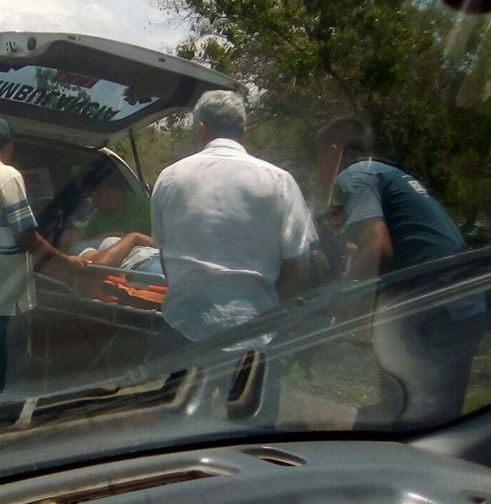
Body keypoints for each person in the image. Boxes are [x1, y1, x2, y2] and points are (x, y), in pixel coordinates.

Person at [151, 90, 317, 424]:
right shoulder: (278, 181)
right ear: (243, 129)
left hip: (184, 328)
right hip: (256, 334)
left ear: (201, 130)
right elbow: (298, 265)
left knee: (172, 435)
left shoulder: (170, 178)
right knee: (250, 434)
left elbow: (166, 256)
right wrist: (277, 323)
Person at [316, 117, 487, 426]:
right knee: (441, 419)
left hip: (429, 304)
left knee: (406, 414)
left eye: (319, 158)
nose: (320, 169)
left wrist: (346, 300)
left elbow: (378, 247)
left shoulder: (355, 175)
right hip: (465, 303)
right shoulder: (392, 175)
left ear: (333, 151)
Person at [0, 118, 87, 400]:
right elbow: (26, 237)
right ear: (10, 146)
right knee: (11, 365)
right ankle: (2, 425)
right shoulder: (8, 177)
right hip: (8, 292)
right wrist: (69, 264)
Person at [62, 160, 152, 248]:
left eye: (95, 196)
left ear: (105, 190)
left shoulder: (144, 207)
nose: (94, 202)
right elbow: (84, 233)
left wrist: (123, 238)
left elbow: (162, 243)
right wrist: (71, 236)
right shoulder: (99, 215)